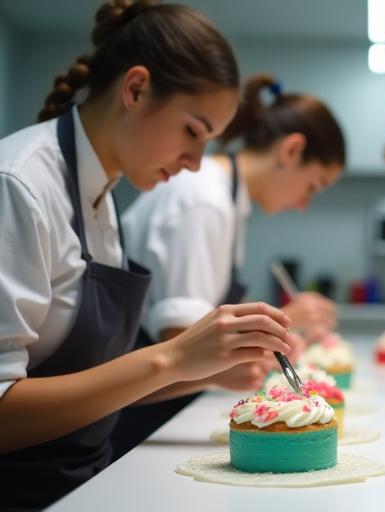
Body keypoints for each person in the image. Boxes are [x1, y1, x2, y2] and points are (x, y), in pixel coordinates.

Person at [0, 2, 296, 509]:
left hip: (86, 485)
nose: (197, 162)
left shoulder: (101, 198)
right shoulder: (19, 185)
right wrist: (173, 358)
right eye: (192, 131)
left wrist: (202, 368)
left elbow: (97, 386)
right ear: (135, 89)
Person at [109, 74, 345, 458]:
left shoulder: (226, 200)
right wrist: (281, 320)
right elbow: (180, 343)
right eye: (313, 185)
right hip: (133, 426)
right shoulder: (203, 198)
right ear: (291, 150)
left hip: (157, 410)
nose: (304, 203)